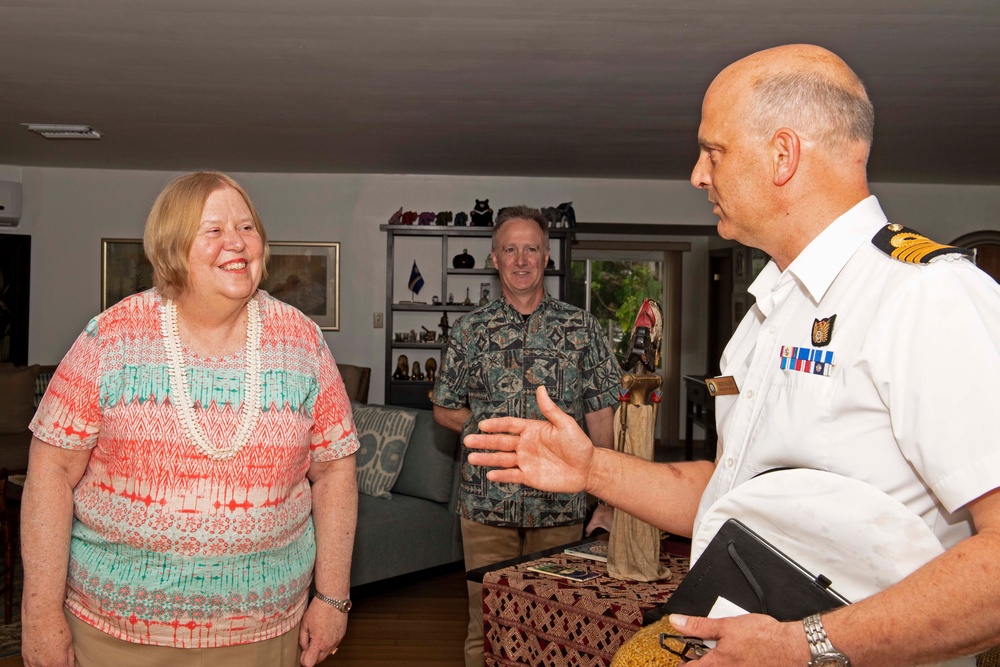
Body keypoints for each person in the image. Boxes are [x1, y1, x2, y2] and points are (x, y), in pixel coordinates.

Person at [464, 44, 1000, 667]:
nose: (697, 174)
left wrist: (807, 645)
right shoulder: (766, 315)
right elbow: (729, 491)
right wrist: (590, 469)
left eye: (712, 151)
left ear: (782, 154)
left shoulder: (926, 295)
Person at [22, 172, 359, 667]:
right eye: (214, 230)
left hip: (264, 632)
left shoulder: (302, 341)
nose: (237, 242)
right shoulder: (110, 338)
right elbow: (50, 473)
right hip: (116, 634)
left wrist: (332, 599)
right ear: (173, 249)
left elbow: (334, 472)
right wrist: (40, 614)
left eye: (247, 227)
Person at [431, 205, 622, 667]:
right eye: (510, 249)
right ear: (494, 258)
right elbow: (443, 407)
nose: (521, 260)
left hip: (561, 505)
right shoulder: (469, 331)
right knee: (486, 623)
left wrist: (608, 497)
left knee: (554, 627)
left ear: (546, 256)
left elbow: (601, 415)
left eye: (531, 249)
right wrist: (491, 433)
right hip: (486, 503)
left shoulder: (582, 329)